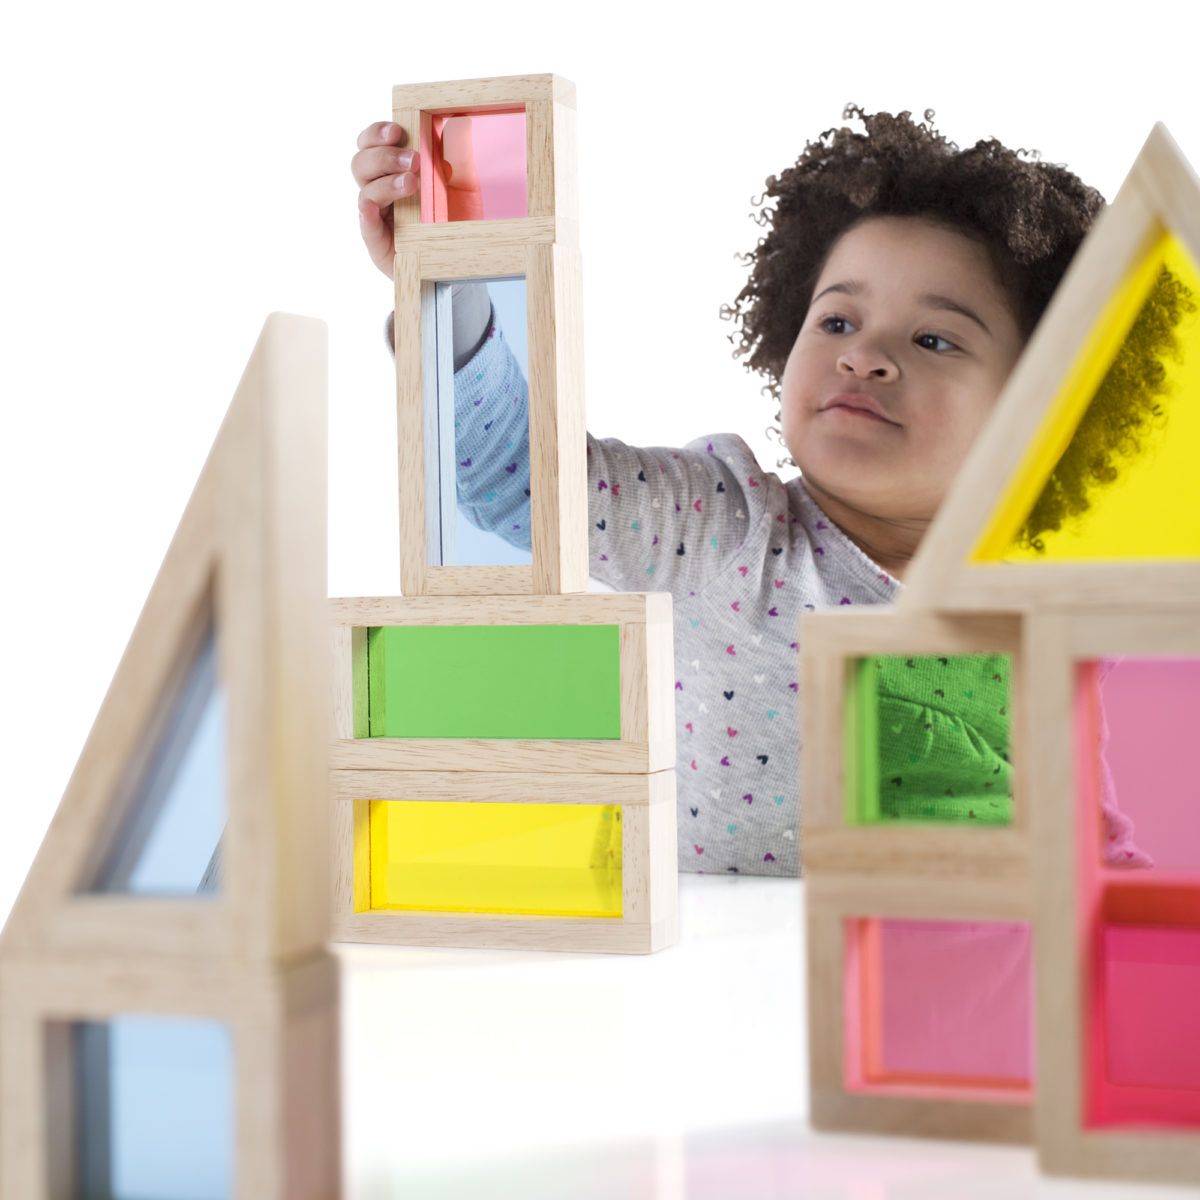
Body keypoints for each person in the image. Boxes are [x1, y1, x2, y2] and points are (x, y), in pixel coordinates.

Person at [351, 105, 1173, 876]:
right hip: (697, 981)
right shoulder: (723, 524)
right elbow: (521, 483)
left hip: (925, 1000)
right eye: (838, 322)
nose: (864, 355)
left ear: (1049, 410)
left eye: (933, 338)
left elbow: (1092, 851)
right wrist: (443, 288)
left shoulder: (1041, 616)